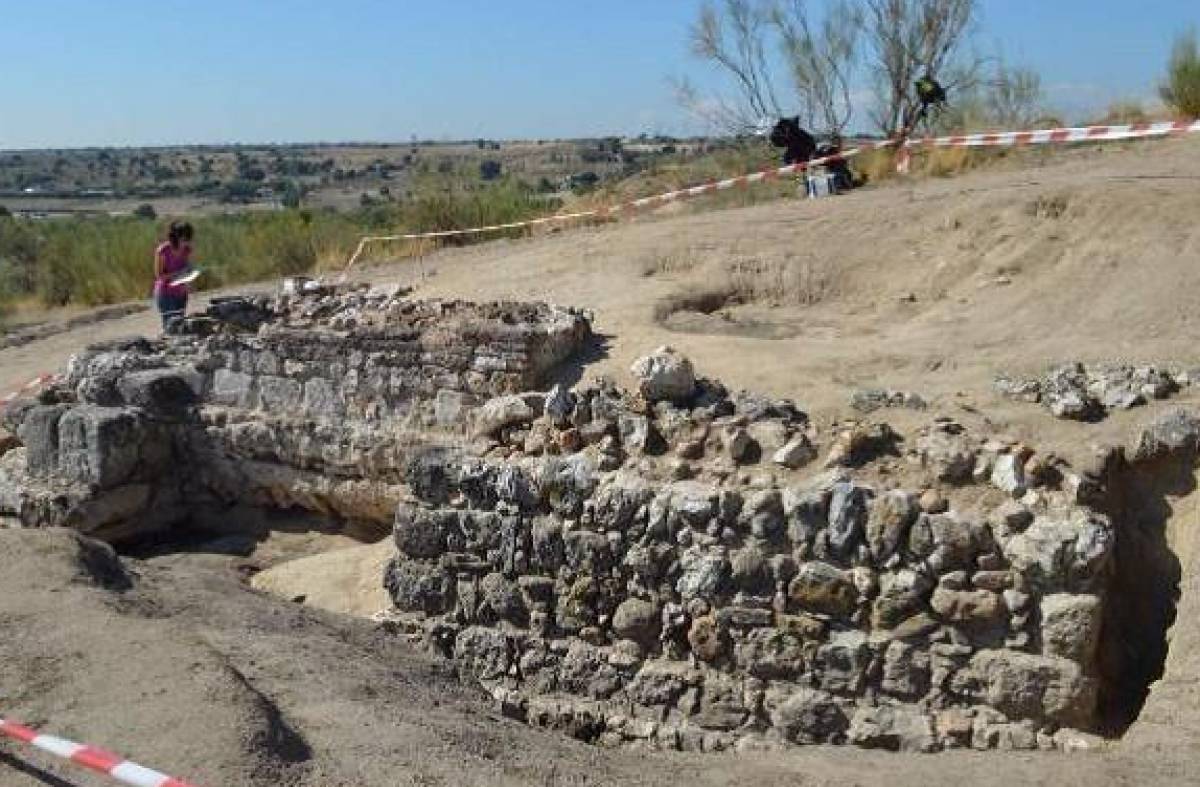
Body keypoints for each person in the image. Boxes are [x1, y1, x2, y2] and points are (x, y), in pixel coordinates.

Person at [154, 221, 193, 331]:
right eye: (183, 238)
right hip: (165, 293)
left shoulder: (187, 250)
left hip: (181, 292)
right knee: (170, 326)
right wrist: (179, 273)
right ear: (175, 237)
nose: (185, 242)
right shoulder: (163, 250)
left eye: (187, 239)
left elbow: (188, 268)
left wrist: (189, 277)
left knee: (180, 325)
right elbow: (159, 275)